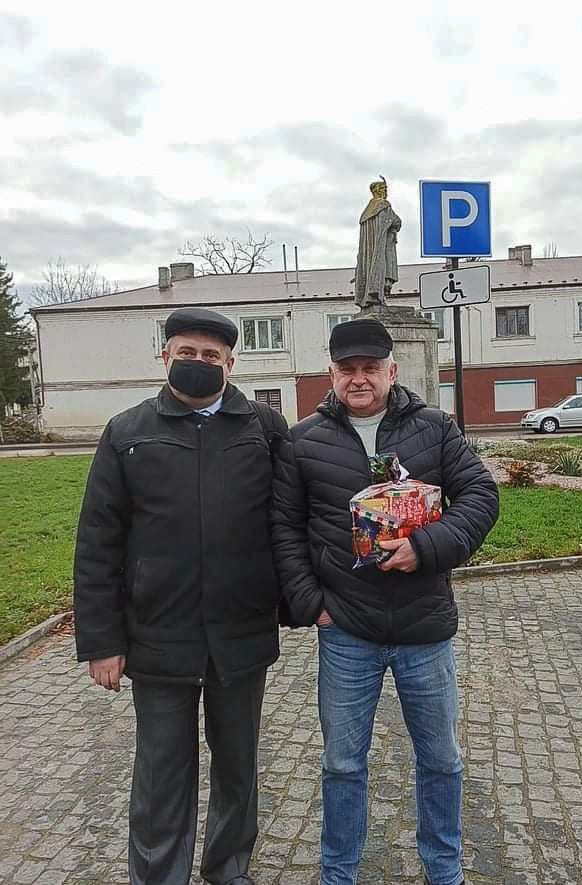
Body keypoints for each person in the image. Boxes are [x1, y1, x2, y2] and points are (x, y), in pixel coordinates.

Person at [272, 318, 499, 885]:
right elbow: (284, 528)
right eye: (347, 369)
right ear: (332, 374)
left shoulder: (434, 428)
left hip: (424, 628)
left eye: (370, 368)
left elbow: (481, 495)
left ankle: (444, 870)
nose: (358, 379)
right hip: (347, 630)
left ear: (390, 371)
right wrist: (308, 602)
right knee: (343, 764)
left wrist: (425, 547)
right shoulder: (303, 442)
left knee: (442, 761)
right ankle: (338, 873)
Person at [74, 306, 286, 885]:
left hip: (240, 633)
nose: (199, 364)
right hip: (157, 635)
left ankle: (228, 870)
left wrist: (300, 601)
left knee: (238, 766)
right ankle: (159, 876)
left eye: (211, 356)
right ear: (165, 356)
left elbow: (286, 522)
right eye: (187, 353)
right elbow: (97, 541)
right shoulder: (127, 431)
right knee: (162, 773)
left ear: (231, 363)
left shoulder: (263, 428)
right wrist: (101, 640)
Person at [354, 177, 402, 307]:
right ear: (378, 191)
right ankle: (376, 293)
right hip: (383, 247)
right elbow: (396, 221)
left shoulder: (366, 212)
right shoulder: (383, 206)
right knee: (380, 266)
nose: (386, 192)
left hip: (369, 251)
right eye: (384, 189)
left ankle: (368, 295)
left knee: (370, 265)